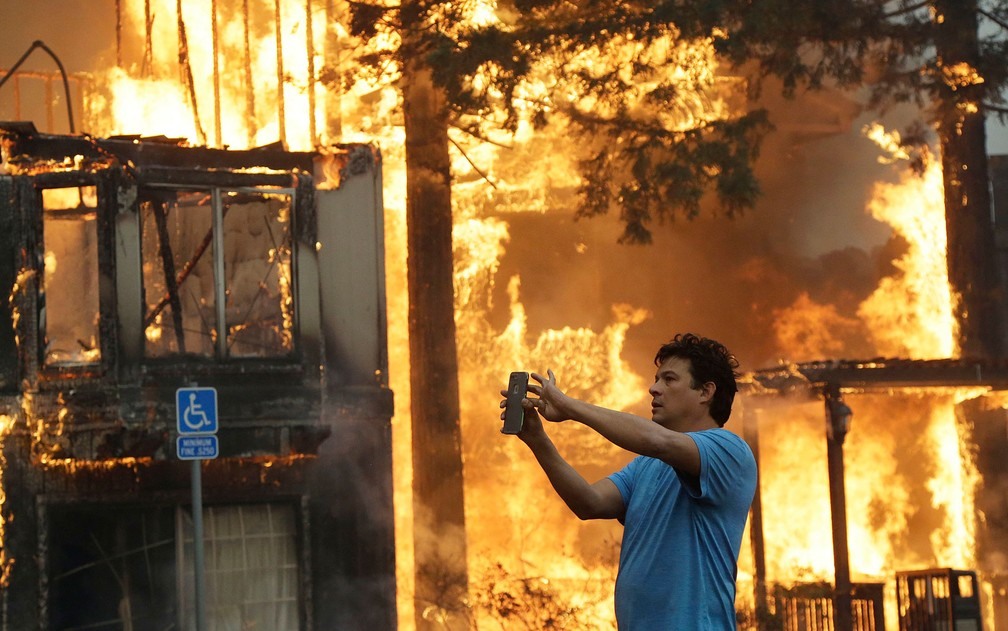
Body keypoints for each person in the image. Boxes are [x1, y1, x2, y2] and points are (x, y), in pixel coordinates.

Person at [500, 333, 757, 630]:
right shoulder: (648, 464)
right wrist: (537, 440)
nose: (654, 389)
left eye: (669, 380)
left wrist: (568, 406)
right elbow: (589, 502)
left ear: (705, 392)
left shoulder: (728, 450)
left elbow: (655, 440)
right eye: (656, 379)